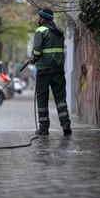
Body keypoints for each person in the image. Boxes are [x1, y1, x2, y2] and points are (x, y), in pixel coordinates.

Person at [30, 8, 72, 136]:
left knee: (42, 99)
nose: (39, 19)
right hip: (58, 70)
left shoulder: (40, 30)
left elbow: (37, 50)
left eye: (40, 17)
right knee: (60, 98)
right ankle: (66, 125)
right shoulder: (59, 31)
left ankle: (44, 129)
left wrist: (33, 58)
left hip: (44, 71)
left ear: (43, 18)